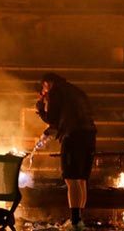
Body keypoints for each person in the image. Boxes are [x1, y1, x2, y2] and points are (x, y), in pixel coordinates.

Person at [35, 73, 97, 230]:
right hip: (89, 135)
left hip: (73, 136)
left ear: (48, 83)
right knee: (81, 179)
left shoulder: (56, 92)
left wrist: (41, 108)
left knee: (71, 179)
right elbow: (66, 117)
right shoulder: (75, 90)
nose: (43, 92)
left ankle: (75, 223)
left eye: (43, 88)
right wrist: (48, 133)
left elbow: (53, 118)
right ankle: (79, 220)